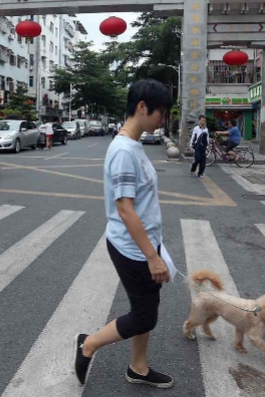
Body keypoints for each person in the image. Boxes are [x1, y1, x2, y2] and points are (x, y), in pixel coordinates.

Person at [73, 79, 174, 389]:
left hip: (143, 243)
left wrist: (157, 248)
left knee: (147, 307)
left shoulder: (134, 144)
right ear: (142, 107)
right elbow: (125, 209)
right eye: (161, 112)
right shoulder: (123, 151)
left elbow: (139, 206)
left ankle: (138, 367)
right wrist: (152, 256)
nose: (163, 119)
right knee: (144, 316)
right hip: (132, 249)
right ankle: (88, 345)